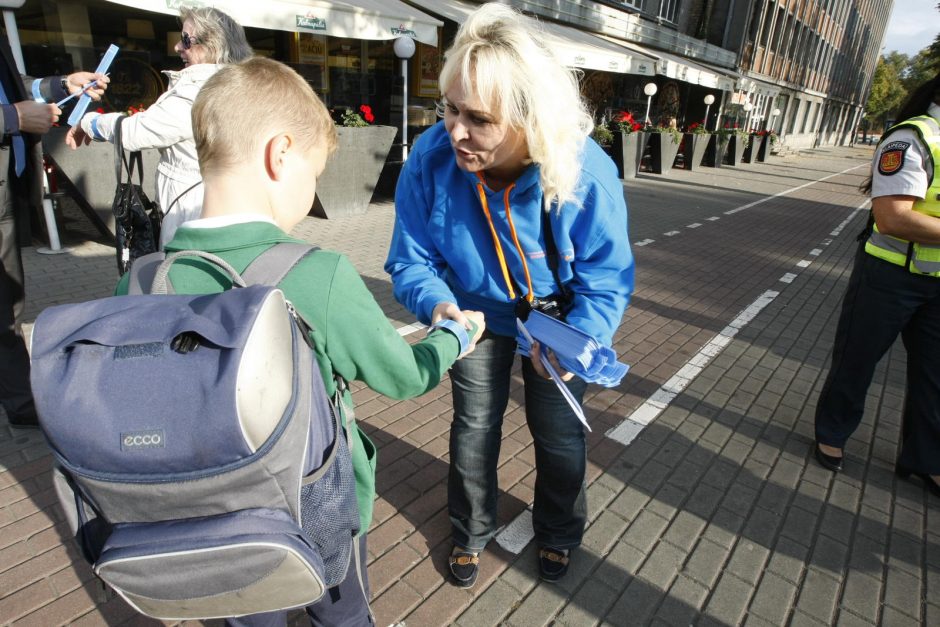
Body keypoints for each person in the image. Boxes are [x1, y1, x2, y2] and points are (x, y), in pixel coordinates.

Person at [114, 56, 484, 626]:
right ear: (279, 153)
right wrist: (455, 337)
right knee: (342, 615)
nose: (311, 199)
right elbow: (404, 377)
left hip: (206, 520)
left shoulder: (141, 279)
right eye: (313, 177)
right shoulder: (318, 273)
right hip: (313, 511)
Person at [385, 4, 633, 587]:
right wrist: (437, 306)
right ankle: (470, 531)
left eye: (478, 118)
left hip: (556, 319)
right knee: (474, 425)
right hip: (472, 313)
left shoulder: (584, 174)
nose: (455, 131)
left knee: (560, 432)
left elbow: (605, 276)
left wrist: (586, 338)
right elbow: (411, 259)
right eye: (448, 109)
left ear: (529, 119)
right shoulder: (431, 158)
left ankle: (558, 531)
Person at [813, 71, 940, 498]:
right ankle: (832, 432)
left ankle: (926, 459)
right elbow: (892, 217)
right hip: (889, 275)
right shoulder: (913, 138)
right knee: (857, 359)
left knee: (935, 376)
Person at [66, 5, 251, 247]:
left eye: (186, 40)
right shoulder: (241, 86)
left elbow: (135, 132)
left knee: (186, 280)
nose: (177, 47)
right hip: (227, 205)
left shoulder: (198, 91)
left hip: (193, 214)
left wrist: (88, 122)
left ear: (212, 46)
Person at [0, 34, 108, 429]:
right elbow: (11, 103)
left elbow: (15, 82)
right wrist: (11, 118)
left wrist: (63, 85)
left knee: (7, 303)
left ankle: (22, 401)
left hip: (7, 193)